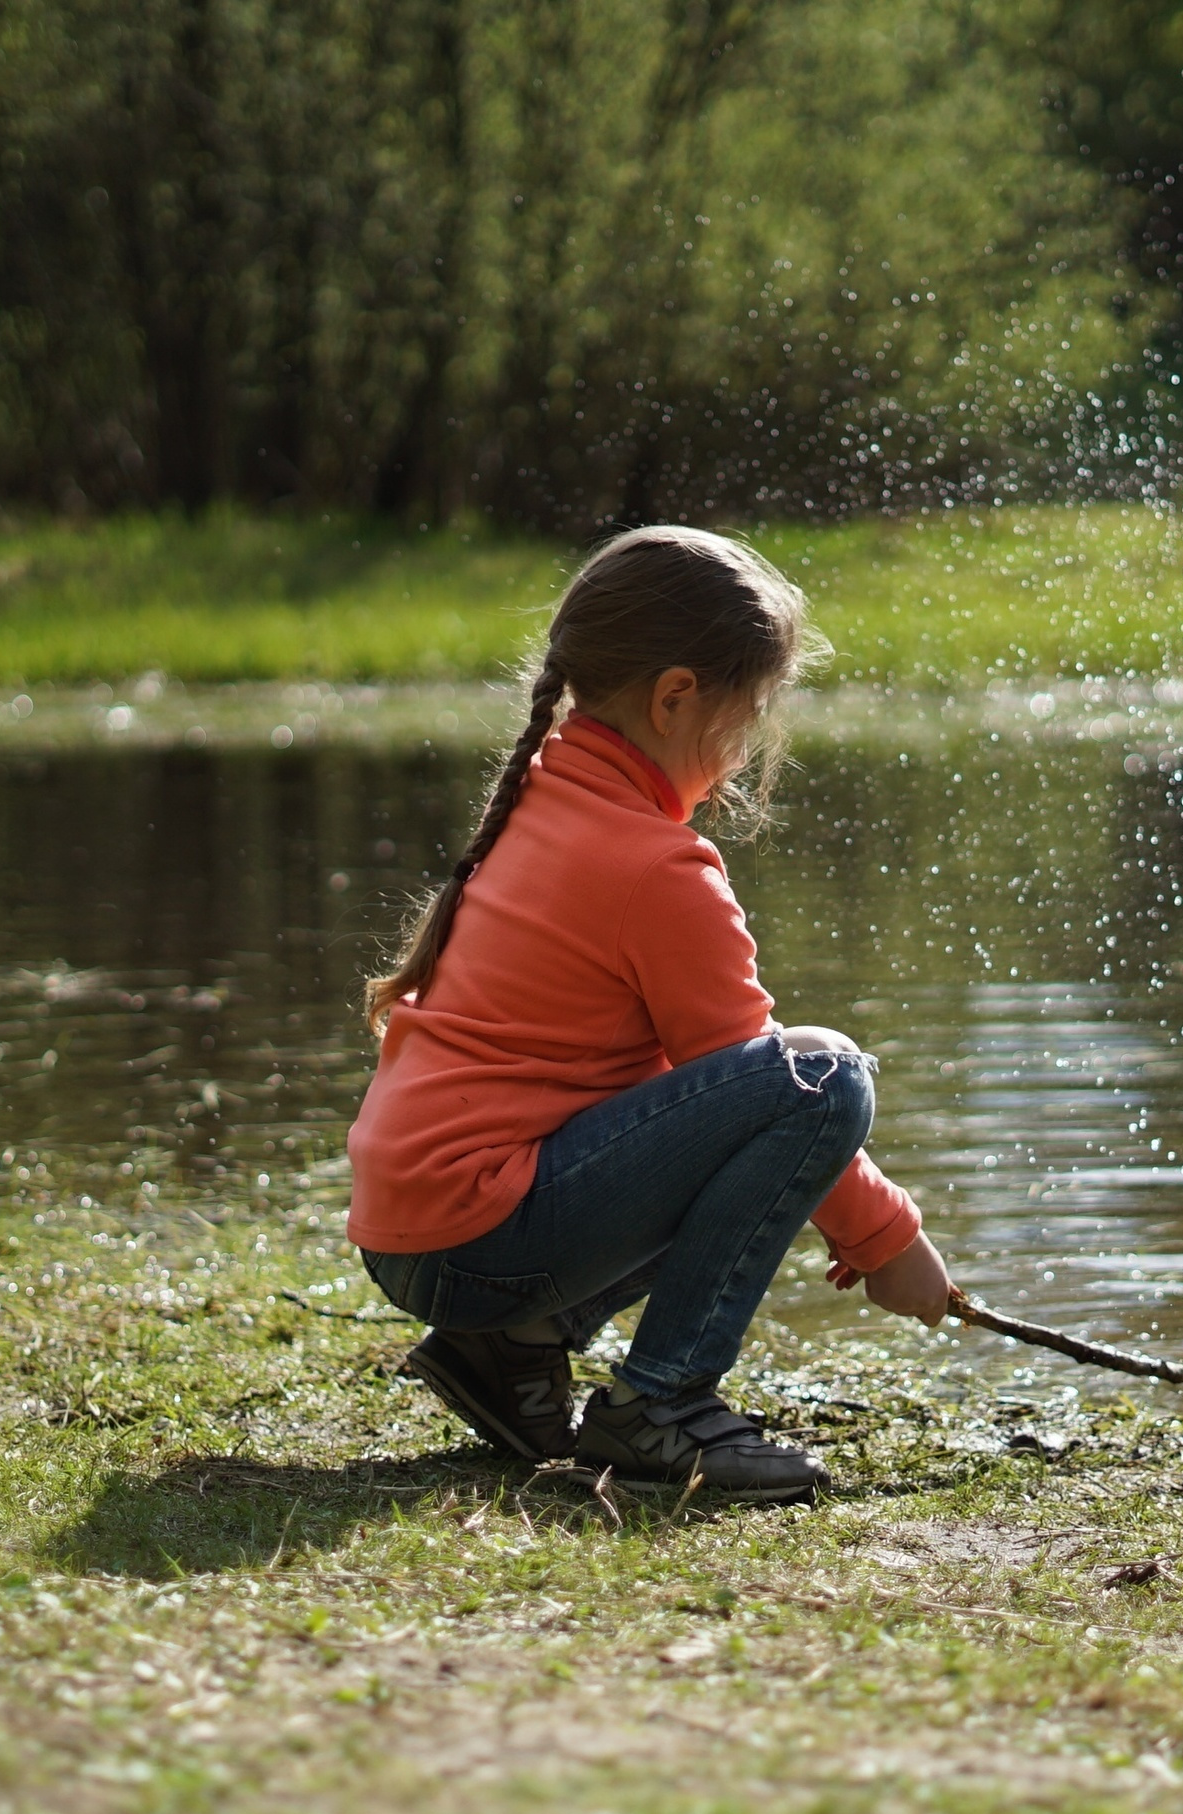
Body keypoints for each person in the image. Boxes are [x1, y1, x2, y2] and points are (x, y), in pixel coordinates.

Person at [344, 525, 951, 1500]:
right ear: (675, 697)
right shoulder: (655, 866)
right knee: (824, 1076)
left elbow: (700, 1096)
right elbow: (781, 1090)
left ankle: (506, 1354)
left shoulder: (538, 796)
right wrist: (886, 1239)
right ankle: (659, 1402)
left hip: (410, 1233)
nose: (747, 746)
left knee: (755, 1093)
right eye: (745, 715)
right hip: (476, 1237)